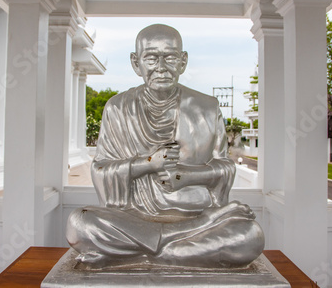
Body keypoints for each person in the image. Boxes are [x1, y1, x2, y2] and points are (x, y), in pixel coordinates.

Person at [66, 24, 264, 268]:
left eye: (169, 57)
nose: (161, 67)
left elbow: (224, 167)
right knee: (80, 223)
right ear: (135, 63)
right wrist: (149, 163)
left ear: (183, 61)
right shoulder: (118, 108)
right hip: (136, 218)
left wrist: (187, 176)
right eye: (151, 57)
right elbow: (101, 170)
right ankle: (173, 251)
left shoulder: (207, 108)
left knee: (249, 236)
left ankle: (149, 252)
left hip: (195, 213)